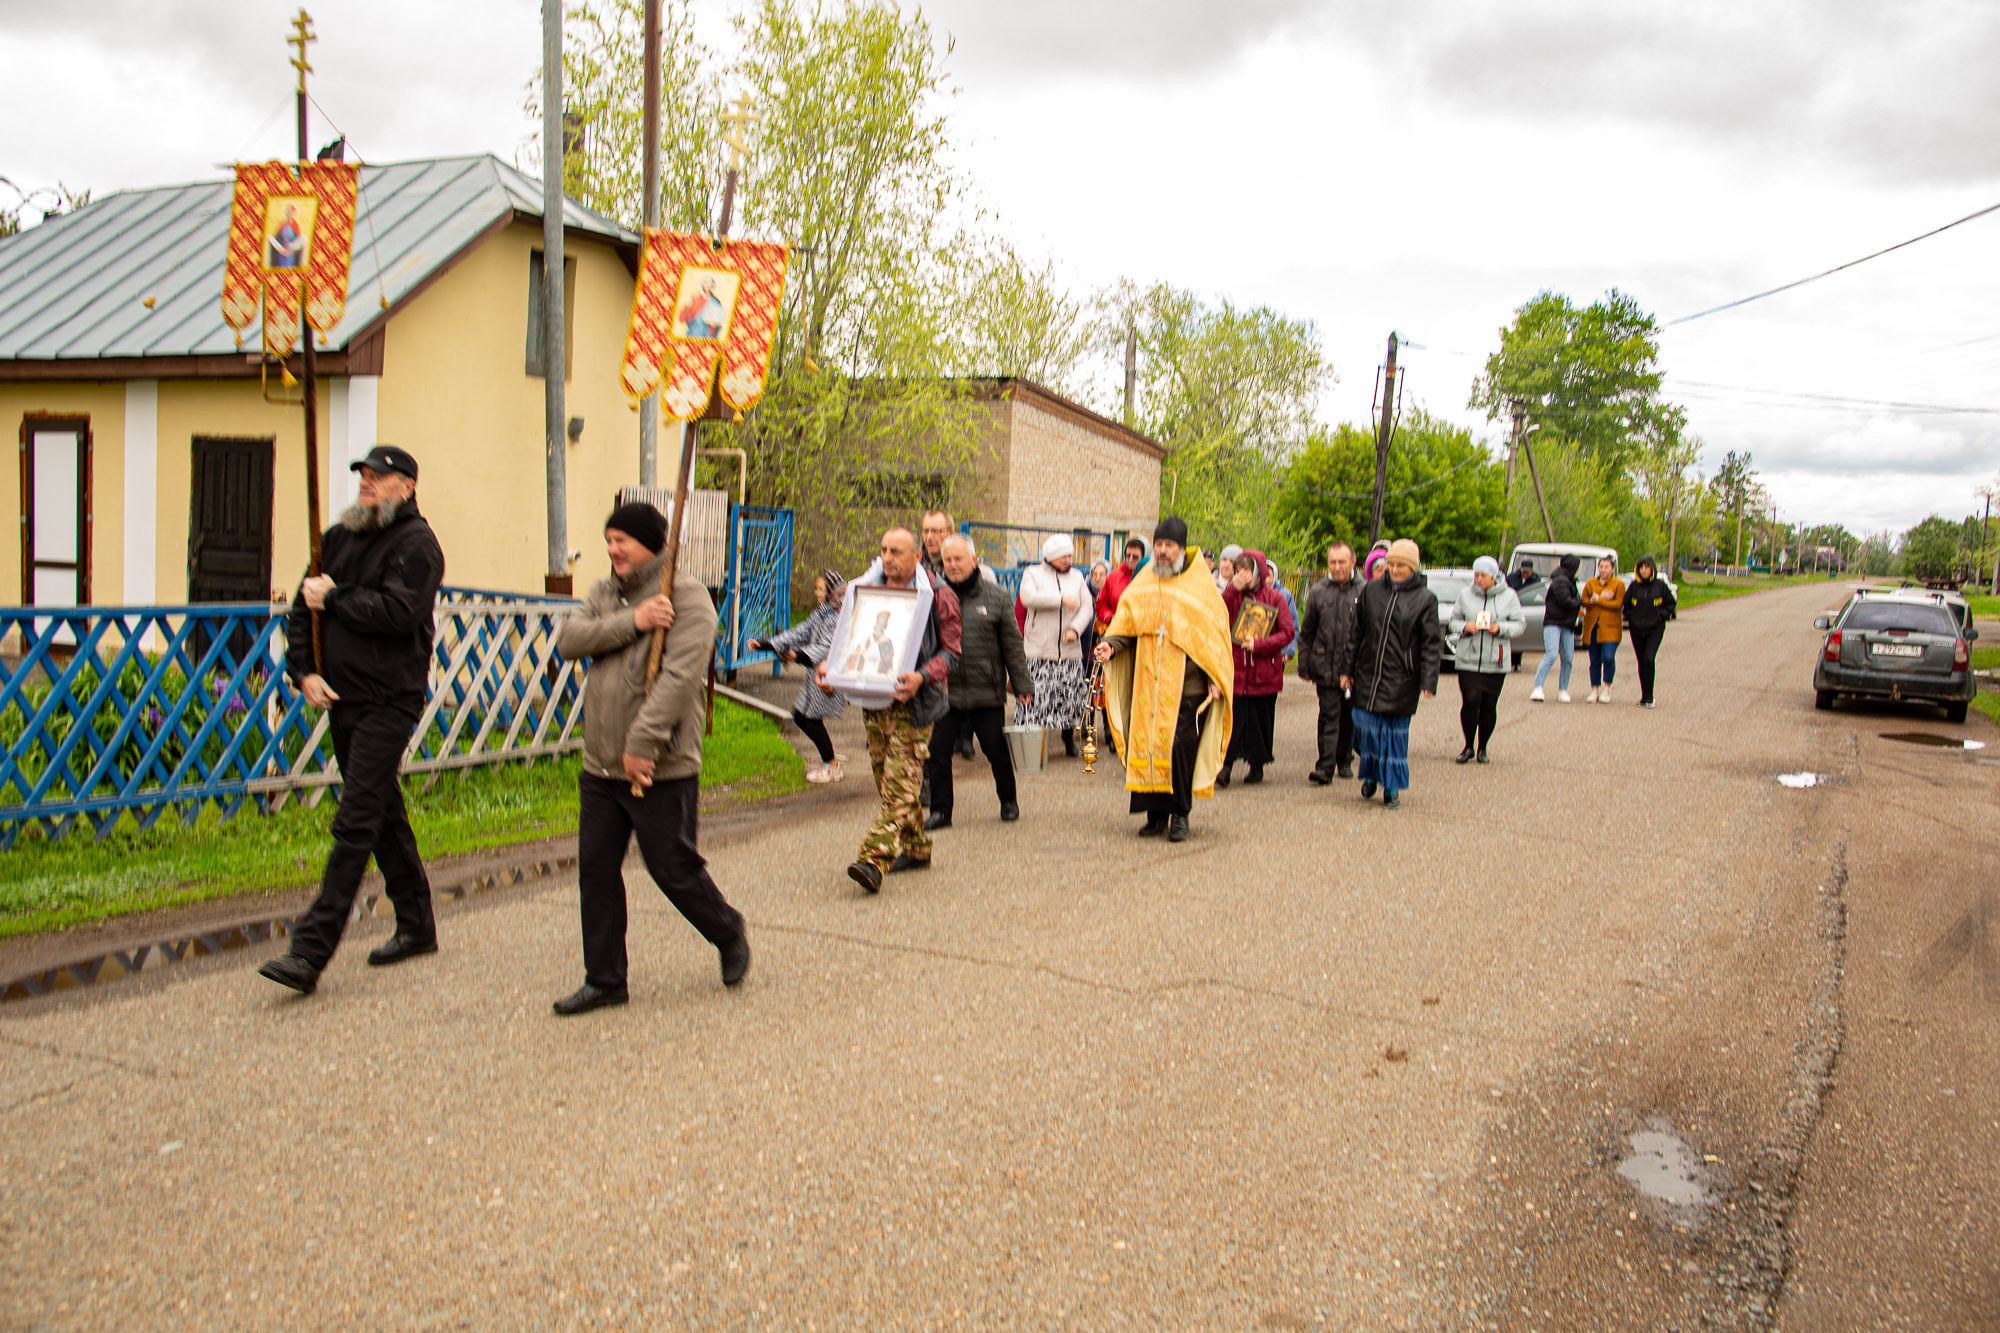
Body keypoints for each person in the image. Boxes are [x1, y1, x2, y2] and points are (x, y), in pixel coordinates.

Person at [546, 503, 751, 1014]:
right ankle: (605, 979)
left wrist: (642, 745)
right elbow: (570, 640)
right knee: (595, 870)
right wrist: (633, 620)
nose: (613, 549)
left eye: (624, 540)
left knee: (671, 867)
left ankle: (727, 931)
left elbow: (679, 682)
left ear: (654, 544)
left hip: (662, 763)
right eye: (609, 539)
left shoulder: (688, 597)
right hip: (601, 764)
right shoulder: (604, 593)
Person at [259, 445, 445, 996]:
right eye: (363, 475)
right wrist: (303, 671)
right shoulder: (337, 539)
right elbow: (302, 608)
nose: (367, 483)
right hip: (341, 696)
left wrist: (335, 598)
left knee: (356, 819)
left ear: (407, 486)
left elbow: (397, 613)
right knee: (382, 812)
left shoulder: (417, 546)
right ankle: (416, 925)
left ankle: (309, 951)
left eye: (379, 477)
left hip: (390, 699)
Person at [818, 528, 961, 894]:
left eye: (896, 551)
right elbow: (851, 640)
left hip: (916, 705)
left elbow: (952, 653)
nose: (887, 557)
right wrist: (831, 669)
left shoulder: (940, 595)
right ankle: (916, 848)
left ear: (916, 556)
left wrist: (922, 676)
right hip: (875, 703)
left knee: (898, 784)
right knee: (890, 781)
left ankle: (873, 859)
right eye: (883, 550)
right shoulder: (865, 590)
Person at [1094, 517, 1233, 843]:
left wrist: (1215, 677)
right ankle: (1154, 816)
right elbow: (1127, 624)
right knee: (1148, 748)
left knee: (1179, 749)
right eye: (1159, 546)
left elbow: (1211, 639)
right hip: (1148, 685)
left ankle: (1180, 814)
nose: (1163, 551)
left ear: (1182, 549)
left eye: (1169, 546)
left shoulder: (1200, 587)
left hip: (1188, 687)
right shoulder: (1144, 582)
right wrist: (1109, 647)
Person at [924, 534, 1032, 829]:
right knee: (938, 753)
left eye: (959, 559)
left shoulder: (996, 597)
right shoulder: (933, 596)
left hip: (986, 691)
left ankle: (1008, 800)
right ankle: (941, 811)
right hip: (947, 691)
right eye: (948, 560)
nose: (953, 565)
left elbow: (1012, 644)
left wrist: (1022, 684)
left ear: (974, 560)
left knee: (996, 751)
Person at [1338, 538, 1439, 810]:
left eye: (1401, 566)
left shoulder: (1425, 599)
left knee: (1394, 737)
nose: (1394, 570)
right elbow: (1356, 633)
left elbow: (1431, 643)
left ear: (1413, 568)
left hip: (1402, 678)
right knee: (1366, 730)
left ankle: (1391, 787)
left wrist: (1428, 681)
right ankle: (1371, 774)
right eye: (1390, 564)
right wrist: (1347, 669)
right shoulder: (1371, 591)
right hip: (1368, 675)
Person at [751, 569, 848, 783]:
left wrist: (798, 656)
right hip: (814, 674)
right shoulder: (823, 612)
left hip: (827, 677)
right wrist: (768, 644)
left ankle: (831, 766)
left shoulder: (838, 617)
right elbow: (801, 632)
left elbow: (828, 647)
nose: (816, 592)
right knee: (801, 716)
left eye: (821, 589)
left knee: (810, 719)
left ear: (833, 591)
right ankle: (829, 759)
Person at [1217, 549, 1295, 787]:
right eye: (1239, 570)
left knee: (1260, 720)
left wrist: (1261, 645)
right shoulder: (1232, 595)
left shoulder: (1275, 598)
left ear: (1259, 572)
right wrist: (1233, 588)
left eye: (1247, 571)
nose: (1243, 575)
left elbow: (1288, 632)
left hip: (1264, 671)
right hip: (1237, 670)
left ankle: (1257, 764)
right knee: (1233, 720)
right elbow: (1216, 613)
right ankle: (1226, 766)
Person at [1016, 533, 1094, 757]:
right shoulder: (1033, 573)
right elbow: (1028, 598)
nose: (1068, 561)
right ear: (1050, 557)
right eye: (1063, 557)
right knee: (1037, 702)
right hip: (1040, 651)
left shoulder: (1078, 577)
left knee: (1069, 699)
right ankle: (1033, 747)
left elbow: (1086, 608)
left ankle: (1068, 738)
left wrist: (1075, 629)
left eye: (1070, 556)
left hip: (1069, 651)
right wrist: (1059, 598)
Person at [1447, 556, 1525, 764]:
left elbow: (1520, 624)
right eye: (1476, 575)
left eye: (1483, 575)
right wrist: (1465, 627)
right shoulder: (1465, 594)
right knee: (1470, 699)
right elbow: (1454, 620)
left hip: (1495, 659)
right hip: (1469, 657)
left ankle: (1483, 747)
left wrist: (1501, 628)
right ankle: (1468, 745)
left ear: (1494, 576)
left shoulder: (1509, 596)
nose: (1479, 579)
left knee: (1489, 704)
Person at [1297, 541, 1362, 783]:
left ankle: (1344, 759)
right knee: (1328, 715)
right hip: (1324, 665)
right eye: (1332, 562)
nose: (1336, 567)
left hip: (1353, 668)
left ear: (1353, 562)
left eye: (1341, 562)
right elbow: (1307, 633)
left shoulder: (1364, 590)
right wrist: (1304, 665)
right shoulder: (1318, 591)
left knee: (1349, 717)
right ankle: (1325, 766)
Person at [1621, 556, 1678, 708]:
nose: (1644, 570)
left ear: (1652, 568)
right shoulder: (1634, 587)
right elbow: (1626, 605)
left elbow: (1671, 604)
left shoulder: (1660, 586)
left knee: (1649, 658)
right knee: (1641, 661)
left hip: (1655, 628)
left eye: (1647, 567)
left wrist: (1661, 615)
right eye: (1641, 567)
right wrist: (1630, 616)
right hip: (1637, 629)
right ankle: (1644, 696)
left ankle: (1650, 696)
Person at [1530, 553, 1581, 702]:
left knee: (1568, 658)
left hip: (1567, 623)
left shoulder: (1568, 579)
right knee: (1551, 654)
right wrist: (1580, 600)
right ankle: (1538, 686)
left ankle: (1563, 689)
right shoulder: (1560, 580)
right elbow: (1566, 601)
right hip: (1554, 622)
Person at [1580, 555, 1626, 703]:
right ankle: (1594, 689)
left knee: (1608, 657)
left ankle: (1607, 687)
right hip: (1593, 626)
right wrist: (1597, 599)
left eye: (1607, 567)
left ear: (1612, 569)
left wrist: (1598, 600)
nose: (1603, 570)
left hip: (1610, 628)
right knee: (1594, 660)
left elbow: (1618, 604)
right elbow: (1585, 601)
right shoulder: (1591, 583)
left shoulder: (1618, 584)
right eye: (1601, 567)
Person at [1095, 537, 1147, 632]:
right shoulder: (1113, 576)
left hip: (1141, 631)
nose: (1130, 559)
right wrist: (1110, 618)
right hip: (1117, 631)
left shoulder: (1149, 578)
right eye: (1128, 555)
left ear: (1142, 557)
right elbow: (1100, 604)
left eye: (1135, 557)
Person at [1269, 560, 1302, 667]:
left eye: (1268, 575)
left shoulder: (1284, 595)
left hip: (1278, 651)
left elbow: (1293, 624)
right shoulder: (1252, 594)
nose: (1265, 579)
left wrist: (1289, 649)